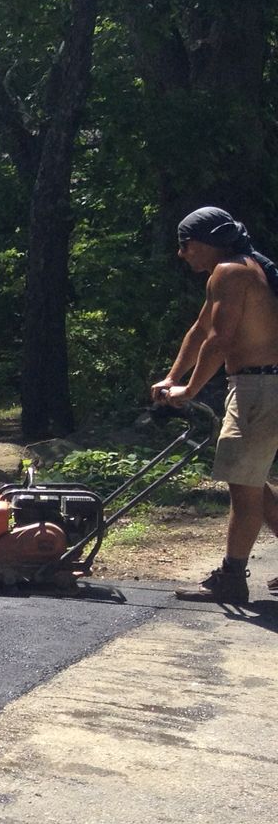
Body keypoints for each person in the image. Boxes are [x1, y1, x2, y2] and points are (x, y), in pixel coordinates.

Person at [151, 206, 278, 605]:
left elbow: (219, 341)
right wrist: (173, 377)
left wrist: (188, 391)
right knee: (251, 481)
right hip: (260, 385)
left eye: (184, 244)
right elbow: (201, 329)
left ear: (204, 242)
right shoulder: (240, 268)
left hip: (258, 388)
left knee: (244, 488)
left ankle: (232, 579)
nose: (181, 253)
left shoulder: (231, 272)